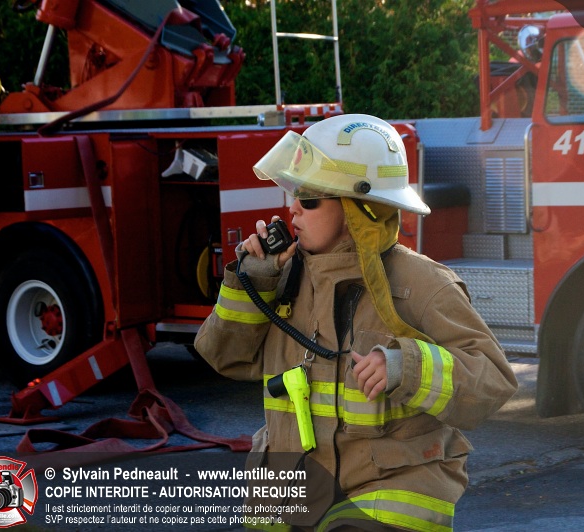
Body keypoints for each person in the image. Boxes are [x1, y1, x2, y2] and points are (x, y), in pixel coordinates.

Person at [195, 114, 518, 530]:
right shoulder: (281, 276)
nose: (292, 208)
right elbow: (223, 358)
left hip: (388, 491)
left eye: (309, 197)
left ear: (359, 208)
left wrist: (406, 367)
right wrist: (250, 284)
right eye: (293, 193)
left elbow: (493, 379)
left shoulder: (422, 284)